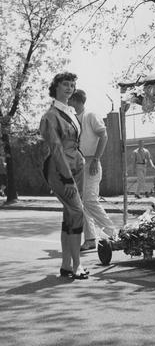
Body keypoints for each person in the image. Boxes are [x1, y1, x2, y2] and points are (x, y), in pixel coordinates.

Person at [39, 72, 88, 279]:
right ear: (56, 87)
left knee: (70, 215)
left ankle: (66, 264)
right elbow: (57, 150)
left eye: (72, 85)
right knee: (78, 212)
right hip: (61, 171)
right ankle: (77, 265)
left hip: (78, 167)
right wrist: (67, 178)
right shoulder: (50, 116)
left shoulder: (71, 112)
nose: (69, 88)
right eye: (65, 84)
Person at [68, 89, 117, 251]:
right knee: (82, 204)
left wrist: (96, 159)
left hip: (91, 163)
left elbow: (104, 136)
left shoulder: (90, 115)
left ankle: (113, 233)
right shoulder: (75, 119)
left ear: (75, 100)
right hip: (80, 165)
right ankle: (89, 239)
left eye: (70, 98)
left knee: (90, 200)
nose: (68, 101)